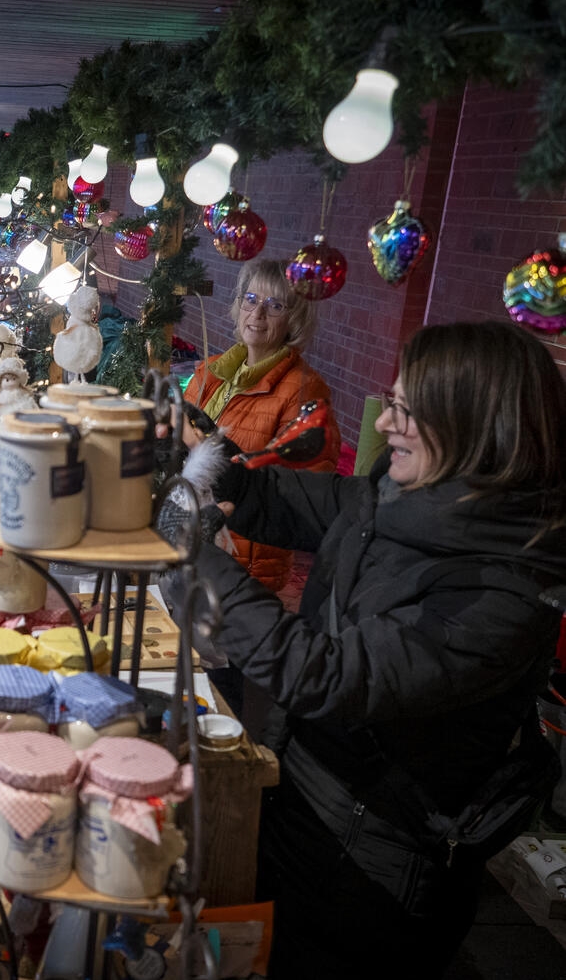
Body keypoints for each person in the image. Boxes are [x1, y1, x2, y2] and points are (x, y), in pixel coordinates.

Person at [174, 320, 566, 978]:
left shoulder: (504, 590)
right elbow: (270, 495)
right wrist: (200, 451)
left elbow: (325, 677)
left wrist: (191, 564)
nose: (384, 424)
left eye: (407, 412)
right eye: (393, 402)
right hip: (300, 805)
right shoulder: (397, 498)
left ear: (477, 429)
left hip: (373, 876)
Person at [182, 257, 339, 595]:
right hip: (188, 543)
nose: (258, 313)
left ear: (294, 319)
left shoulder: (304, 390)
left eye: (275, 305)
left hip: (240, 567)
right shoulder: (211, 372)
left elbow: (295, 495)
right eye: (250, 300)